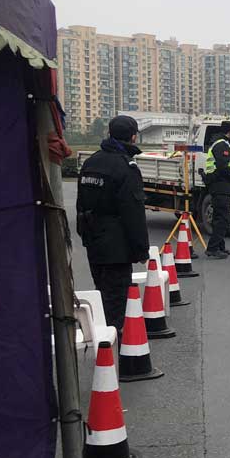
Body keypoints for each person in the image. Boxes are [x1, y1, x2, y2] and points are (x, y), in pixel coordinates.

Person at [76, 115, 151, 338]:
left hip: (93, 241)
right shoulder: (126, 167)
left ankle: (101, 340)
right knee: (116, 302)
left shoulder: (91, 162)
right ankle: (111, 350)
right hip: (116, 247)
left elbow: (80, 204)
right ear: (133, 137)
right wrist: (141, 250)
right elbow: (133, 213)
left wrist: (86, 235)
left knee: (101, 294)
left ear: (109, 133)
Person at [205, 120, 230, 259]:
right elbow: (223, 166)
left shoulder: (219, 142)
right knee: (223, 219)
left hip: (218, 184)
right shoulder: (222, 144)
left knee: (218, 218)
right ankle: (212, 248)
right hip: (221, 185)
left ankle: (220, 246)